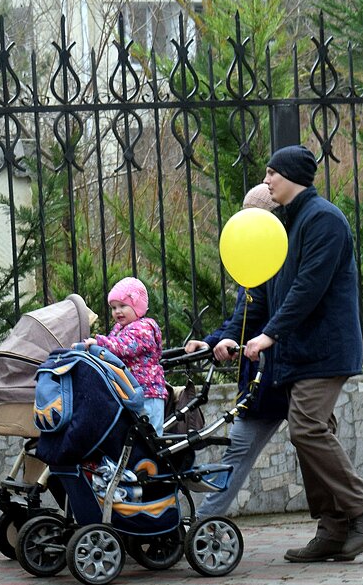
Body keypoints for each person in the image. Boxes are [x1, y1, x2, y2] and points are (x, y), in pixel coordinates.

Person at [208, 146, 363, 562]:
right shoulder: (285, 225)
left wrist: (270, 336)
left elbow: (309, 287)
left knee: (306, 429)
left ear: (292, 177)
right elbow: (262, 296)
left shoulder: (323, 219)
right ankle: (332, 527)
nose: (267, 180)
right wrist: (221, 335)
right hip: (297, 351)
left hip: (324, 348)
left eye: (273, 173)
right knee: (314, 433)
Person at [185, 184, 290, 518]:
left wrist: (262, 338)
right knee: (239, 449)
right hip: (266, 381)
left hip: (293, 374)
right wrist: (215, 341)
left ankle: (345, 517)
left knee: (319, 449)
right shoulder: (258, 268)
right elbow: (244, 318)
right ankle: (202, 522)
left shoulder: (288, 262)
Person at [86, 276, 168, 434]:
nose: (117, 311)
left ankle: (152, 458)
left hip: (147, 392)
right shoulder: (119, 328)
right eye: (113, 307)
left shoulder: (144, 328)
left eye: (123, 306)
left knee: (149, 434)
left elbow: (126, 346)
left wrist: (99, 343)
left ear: (138, 307)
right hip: (130, 391)